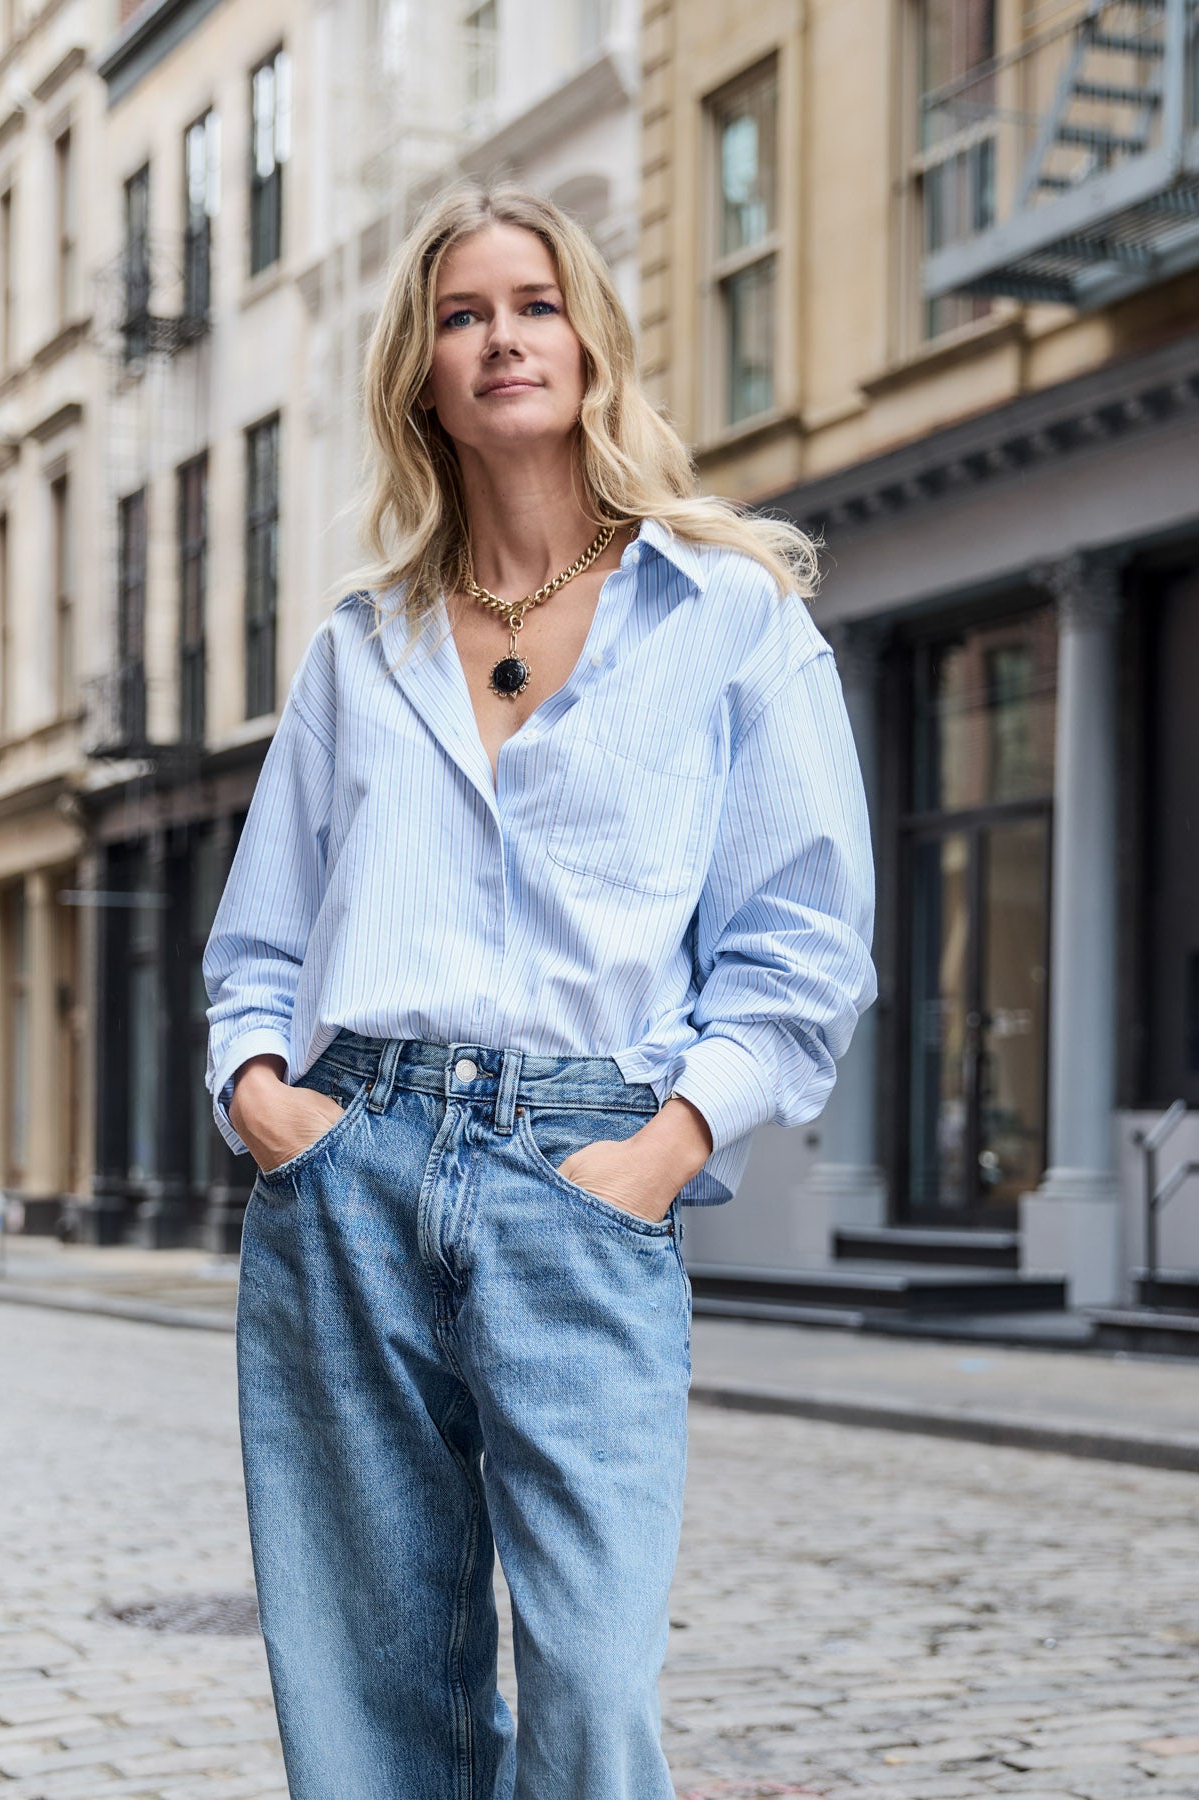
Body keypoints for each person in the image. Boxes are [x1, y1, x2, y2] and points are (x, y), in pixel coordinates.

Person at [203, 181, 876, 1798]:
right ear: (421, 372)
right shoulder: (360, 649)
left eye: (534, 303)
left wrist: (664, 1147)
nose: (501, 336)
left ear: (590, 342)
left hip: (587, 1169)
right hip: (350, 1168)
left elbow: (803, 940)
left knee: (590, 1685)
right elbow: (260, 944)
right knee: (371, 1700)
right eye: (461, 313)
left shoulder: (726, 618)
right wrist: (262, 1097)